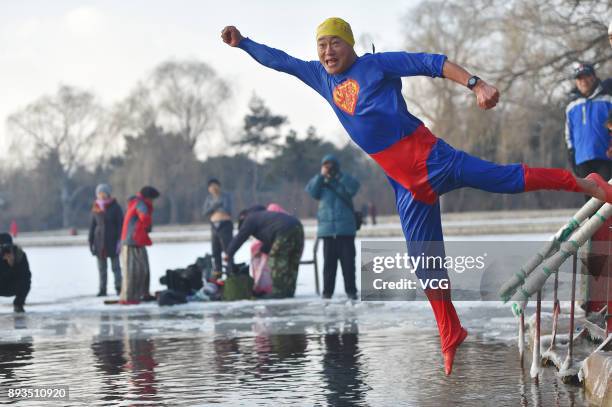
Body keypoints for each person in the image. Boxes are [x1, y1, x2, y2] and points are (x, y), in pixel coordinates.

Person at [221, 17, 612, 375]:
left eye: (334, 43)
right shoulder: (322, 79)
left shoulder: (377, 65)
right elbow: (280, 60)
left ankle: (584, 183)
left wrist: (477, 84)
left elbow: (433, 62)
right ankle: (450, 330)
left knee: (506, 179)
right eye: (321, 45)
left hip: (436, 160)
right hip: (407, 187)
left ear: (350, 44)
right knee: (424, 262)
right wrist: (244, 43)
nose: (327, 52)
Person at [306, 154, 360, 300]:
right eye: (326, 165)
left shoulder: (343, 181)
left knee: (349, 265)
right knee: (329, 267)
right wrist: (321, 175)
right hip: (328, 232)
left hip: (346, 231)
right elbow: (311, 191)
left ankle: (351, 292)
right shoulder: (321, 184)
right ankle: (327, 293)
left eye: (331, 166)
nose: (330, 169)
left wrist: (339, 175)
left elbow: (354, 188)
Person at [224, 206, 304, 298]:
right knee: (291, 261)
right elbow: (270, 239)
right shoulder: (264, 217)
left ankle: (278, 292)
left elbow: (240, 237)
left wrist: (229, 253)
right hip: (297, 226)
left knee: (276, 259)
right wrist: (262, 250)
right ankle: (289, 291)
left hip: (283, 231)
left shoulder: (250, 219)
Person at [565, 63, 612, 189]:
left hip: (605, 158)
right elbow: (569, 135)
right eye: (579, 78)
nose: (583, 81)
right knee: (589, 201)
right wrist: (571, 155)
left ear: (594, 77)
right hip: (582, 160)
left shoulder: (608, 100)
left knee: (607, 199)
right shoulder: (571, 106)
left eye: (586, 76)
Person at [119, 186, 160, 305]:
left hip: (137, 240)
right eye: (152, 199)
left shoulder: (136, 203)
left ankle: (142, 293)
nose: (153, 202)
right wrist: (148, 227)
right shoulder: (140, 204)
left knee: (143, 269)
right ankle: (129, 297)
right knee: (132, 270)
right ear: (148, 197)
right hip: (131, 241)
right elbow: (145, 217)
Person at [88, 183, 124, 296]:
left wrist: (120, 241)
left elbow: (120, 225)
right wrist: (91, 243)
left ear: (108, 194)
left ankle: (119, 287)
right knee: (102, 269)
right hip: (99, 244)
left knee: (116, 268)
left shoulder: (115, 207)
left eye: (104, 193)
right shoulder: (95, 208)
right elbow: (92, 227)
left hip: (113, 242)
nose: (102, 196)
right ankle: (102, 289)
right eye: (99, 194)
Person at [202, 178, 233, 277]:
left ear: (219, 186)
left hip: (225, 224)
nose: (213, 188)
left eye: (215, 186)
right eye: (211, 187)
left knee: (227, 249)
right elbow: (205, 212)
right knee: (215, 250)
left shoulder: (226, 196)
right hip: (214, 226)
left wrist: (217, 208)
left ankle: (230, 271)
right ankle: (218, 272)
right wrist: (216, 205)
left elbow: (228, 210)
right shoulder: (209, 199)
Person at [0, 233, 31, 313]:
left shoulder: (19, 255)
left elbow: (26, 276)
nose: (5, 250)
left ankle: (18, 305)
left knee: (26, 283)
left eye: (8, 247)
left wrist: (13, 264)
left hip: (13, 285)